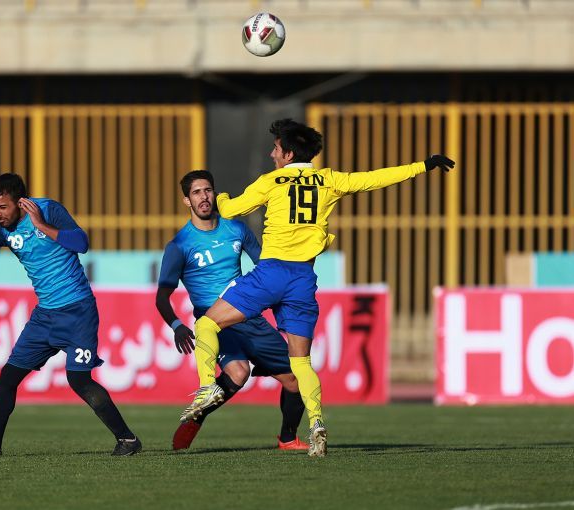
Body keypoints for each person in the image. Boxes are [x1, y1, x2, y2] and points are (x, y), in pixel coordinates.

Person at [183, 119, 455, 457]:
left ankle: (207, 387)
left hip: (271, 273)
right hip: (302, 280)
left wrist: (221, 196)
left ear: (288, 154)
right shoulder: (330, 180)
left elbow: (229, 209)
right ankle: (316, 425)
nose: (271, 154)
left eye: (276, 149)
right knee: (301, 362)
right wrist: (423, 165)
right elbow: (375, 178)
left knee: (207, 324)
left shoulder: (271, 182)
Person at [0, 173, 141, 457]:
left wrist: (42, 226)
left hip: (78, 311)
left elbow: (81, 243)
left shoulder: (47, 210)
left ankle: (128, 439)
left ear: (21, 202)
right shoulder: (1, 228)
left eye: (2, 207)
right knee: (8, 378)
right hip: (45, 316)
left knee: (79, 380)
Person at [156, 170, 309, 451]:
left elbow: (267, 269)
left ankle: (287, 438)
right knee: (238, 373)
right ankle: (194, 420)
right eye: (196, 193)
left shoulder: (236, 230)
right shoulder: (179, 245)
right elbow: (162, 297)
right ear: (187, 200)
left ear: (215, 193)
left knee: (295, 379)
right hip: (214, 320)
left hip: (248, 316)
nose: (204, 197)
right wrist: (177, 325)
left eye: (208, 190)